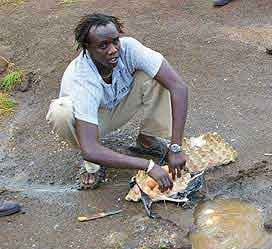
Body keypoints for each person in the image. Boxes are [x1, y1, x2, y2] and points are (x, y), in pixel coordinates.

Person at [46, 13, 188, 191]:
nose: (113, 49)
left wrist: (175, 147)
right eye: (103, 46)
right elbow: (90, 148)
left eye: (115, 41)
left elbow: (178, 87)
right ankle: (92, 166)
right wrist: (148, 166)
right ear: (87, 48)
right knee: (61, 110)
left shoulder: (129, 48)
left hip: (120, 105)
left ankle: (147, 139)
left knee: (154, 75)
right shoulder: (81, 78)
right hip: (89, 123)